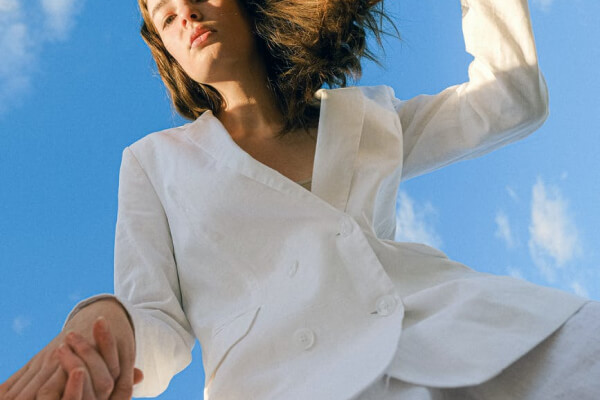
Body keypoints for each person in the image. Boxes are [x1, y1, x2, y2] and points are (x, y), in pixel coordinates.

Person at [1, 0, 598, 399]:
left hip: (478, 334)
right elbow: (158, 322)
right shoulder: (154, 162)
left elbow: (511, 101)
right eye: (164, 14)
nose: (185, 11)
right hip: (288, 384)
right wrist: (104, 328)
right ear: (167, 50)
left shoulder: (364, 116)